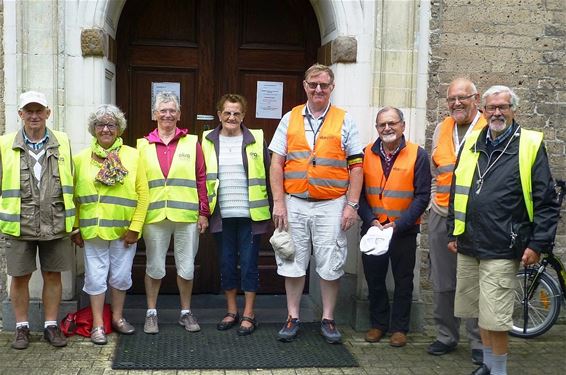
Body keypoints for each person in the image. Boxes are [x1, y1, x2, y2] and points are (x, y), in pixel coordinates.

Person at [447, 85, 560, 375]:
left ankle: (498, 370)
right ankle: (488, 364)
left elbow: (546, 201)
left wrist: (537, 245)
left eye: (503, 107)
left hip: (504, 244)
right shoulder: (473, 142)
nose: (497, 112)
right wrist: (453, 231)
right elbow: (457, 189)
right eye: (491, 108)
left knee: (496, 317)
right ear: (482, 111)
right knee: (479, 313)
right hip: (470, 242)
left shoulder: (530, 144)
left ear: (513, 110)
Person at [269, 63, 364, 344]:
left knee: (331, 263)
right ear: (305, 86)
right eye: (313, 84)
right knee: (292, 261)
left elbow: (356, 167)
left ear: (332, 87)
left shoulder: (345, 120)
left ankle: (328, 318)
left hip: (332, 204)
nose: (318, 89)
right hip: (294, 203)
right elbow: (277, 162)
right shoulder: (290, 118)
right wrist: (279, 202)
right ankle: (293, 316)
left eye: (324, 85)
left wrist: (352, 205)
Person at [0, 91, 75, 349]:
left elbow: (71, 180)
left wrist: (72, 221)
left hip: (55, 221)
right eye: (28, 111)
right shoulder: (4, 143)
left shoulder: (63, 141)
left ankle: (50, 326)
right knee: (20, 277)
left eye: (39, 111)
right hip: (19, 224)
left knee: (53, 275)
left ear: (48, 113)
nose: (34, 116)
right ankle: (22, 328)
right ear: (20, 114)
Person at [71, 105, 149, 345]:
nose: (105, 129)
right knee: (95, 278)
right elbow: (72, 195)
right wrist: (75, 227)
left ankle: (117, 318)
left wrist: (136, 227)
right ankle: (97, 324)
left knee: (121, 276)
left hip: (124, 231)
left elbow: (143, 193)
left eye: (111, 124)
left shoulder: (133, 155)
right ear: (93, 129)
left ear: (119, 128)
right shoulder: (80, 158)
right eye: (100, 125)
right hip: (92, 231)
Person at [137, 91, 210, 334]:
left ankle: (185, 312)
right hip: (155, 216)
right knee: (154, 266)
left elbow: (201, 178)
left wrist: (203, 212)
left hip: (186, 217)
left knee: (186, 267)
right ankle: (151, 313)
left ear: (179, 114)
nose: (167, 114)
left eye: (172, 110)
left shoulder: (192, 142)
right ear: (154, 114)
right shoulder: (142, 145)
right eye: (163, 110)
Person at [358, 107, 431, 347]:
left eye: (392, 123)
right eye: (382, 125)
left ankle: (400, 328)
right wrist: (370, 220)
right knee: (374, 279)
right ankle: (378, 324)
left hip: (403, 230)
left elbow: (422, 196)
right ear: (377, 128)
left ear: (403, 125)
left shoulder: (417, 155)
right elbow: (357, 194)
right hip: (373, 230)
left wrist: (399, 225)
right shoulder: (365, 153)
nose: (387, 128)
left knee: (403, 280)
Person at [202, 94, 271, 336]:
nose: (232, 117)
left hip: (251, 216)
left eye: (237, 113)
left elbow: (270, 174)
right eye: (227, 113)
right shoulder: (207, 140)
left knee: (250, 265)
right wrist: (202, 212)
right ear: (219, 114)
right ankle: (232, 311)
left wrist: (277, 209)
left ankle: (249, 314)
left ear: (244, 115)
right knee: (226, 263)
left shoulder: (256, 138)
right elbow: (201, 178)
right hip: (221, 215)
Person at [427, 78, 484, 363]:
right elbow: (436, 171)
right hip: (441, 214)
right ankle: (446, 336)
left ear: (476, 99)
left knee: (473, 280)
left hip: (476, 218)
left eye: (463, 98)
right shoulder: (442, 128)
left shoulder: (489, 128)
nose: (456, 103)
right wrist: (434, 204)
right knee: (443, 280)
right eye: (451, 99)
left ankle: (479, 341)